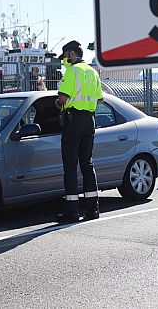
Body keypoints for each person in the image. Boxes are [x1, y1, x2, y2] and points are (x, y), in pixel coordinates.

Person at [55, 40, 104, 223]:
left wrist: (59, 104)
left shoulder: (73, 71)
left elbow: (62, 98)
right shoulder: (92, 71)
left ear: (72, 54)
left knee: (70, 166)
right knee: (87, 165)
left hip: (73, 120)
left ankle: (72, 212)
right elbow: (100, 99)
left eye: (66, 56)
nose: (65, 60)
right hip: (89, 121)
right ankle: (93, 209)